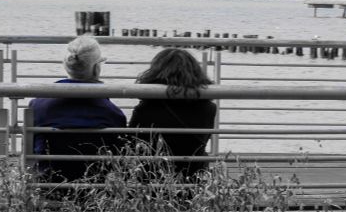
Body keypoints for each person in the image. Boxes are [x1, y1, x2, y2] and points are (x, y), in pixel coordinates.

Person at [28, 35, 126, 182]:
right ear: (96, 68)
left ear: (66, 65)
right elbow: (117, 157)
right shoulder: (112, 113)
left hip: (48, 185)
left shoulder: (38, 106)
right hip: (93, 187)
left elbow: (32, 149)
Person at [129, 48, 216, 180]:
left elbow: (132, 144)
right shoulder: (209, 108)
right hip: (192, 179)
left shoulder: (145, 108)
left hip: (152, 180)